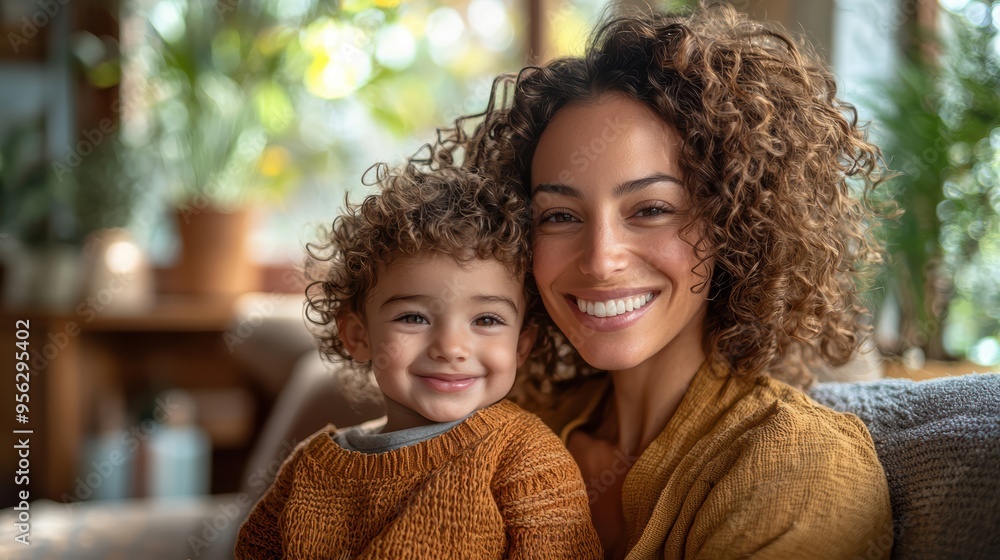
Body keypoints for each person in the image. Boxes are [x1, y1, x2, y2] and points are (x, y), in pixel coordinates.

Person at [426, 2, 895, 559]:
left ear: (734, 222)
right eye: (558, 216)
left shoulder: (799, 465)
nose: (600, 261)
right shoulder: (495, 433)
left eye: (650, 209)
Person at [234, 163, 602, 559]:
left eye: (486, 320)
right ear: (358, 336)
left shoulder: (525, 459)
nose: (451, 347)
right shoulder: (306, 470)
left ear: (521, 346)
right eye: (414, 318)